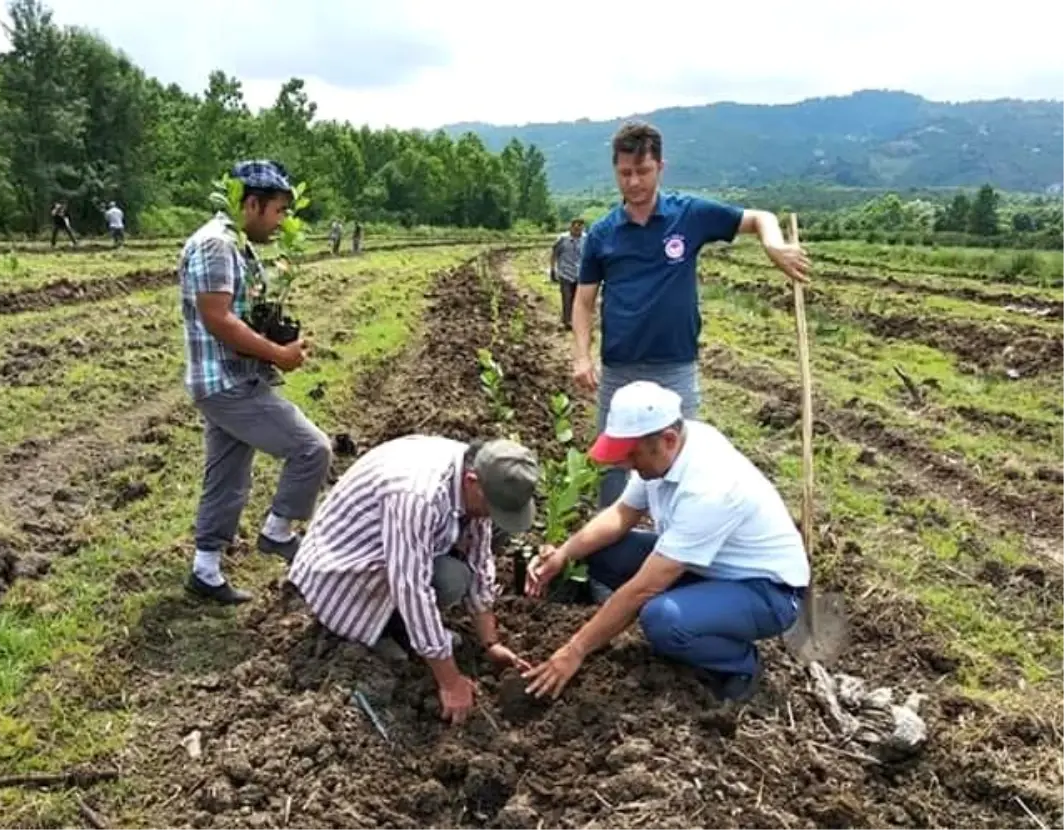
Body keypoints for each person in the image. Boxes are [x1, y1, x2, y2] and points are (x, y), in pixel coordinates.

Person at [522, 380, 809, 704]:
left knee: (661, 619)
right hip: (709, 568)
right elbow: (620, 514)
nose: (625, 464)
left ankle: (740, 664)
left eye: (632, 455)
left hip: (766, 591)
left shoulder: (710, 488)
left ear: (668, 440)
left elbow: (644, 587)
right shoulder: (666, 450)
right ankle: (693, 614)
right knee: (602, 552)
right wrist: (562, 554)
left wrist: (575, 650)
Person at [572, 120, 811, 507]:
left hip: (675, 367)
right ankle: (610, 552)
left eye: (643, 172)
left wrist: (774, 246)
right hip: (620, 369)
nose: (633, 183)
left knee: (684, 464)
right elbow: (583, 302)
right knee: (614, 467)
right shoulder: (602, 235)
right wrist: (581, 355)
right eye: (625, 173)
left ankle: (678, 545)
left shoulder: (690, 215)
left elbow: (759, 217)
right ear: (615, 170)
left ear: (660, 167)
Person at [288, 435, 539, 724]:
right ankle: (378, 629)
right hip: (341, 573)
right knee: (450, 579)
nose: (490, 515)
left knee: (480, 547)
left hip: (391, 552)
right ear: (472, 481)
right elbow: (412, 589)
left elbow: (479, 556)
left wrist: (489, 644)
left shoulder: (474, 474)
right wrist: (450, 683)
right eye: (492, 506)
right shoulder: (419, 495)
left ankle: (410, 629)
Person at [179, 159, 332, 605]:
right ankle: (278, 531)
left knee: (226, 476)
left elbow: (237, 314)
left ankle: (204, 572)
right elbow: (218, 319)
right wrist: (278, 354)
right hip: (228, 382)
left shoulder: (233, 244)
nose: (283, 220)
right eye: (279, 211)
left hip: (228, 378)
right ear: (251, 203)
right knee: (312, 449)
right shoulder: (216, 245)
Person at [550, 218, 586, 329]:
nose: (577, 231)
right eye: (575, 228)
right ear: (571, 228)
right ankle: (567, 321)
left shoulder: (586, 239)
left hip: (579, 273)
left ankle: (575, 320)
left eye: (579, 228)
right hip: (565, 272)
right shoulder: (562, 239)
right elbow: (554, 254)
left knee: (577, 299)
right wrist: (552, 269)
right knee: (566, 297)